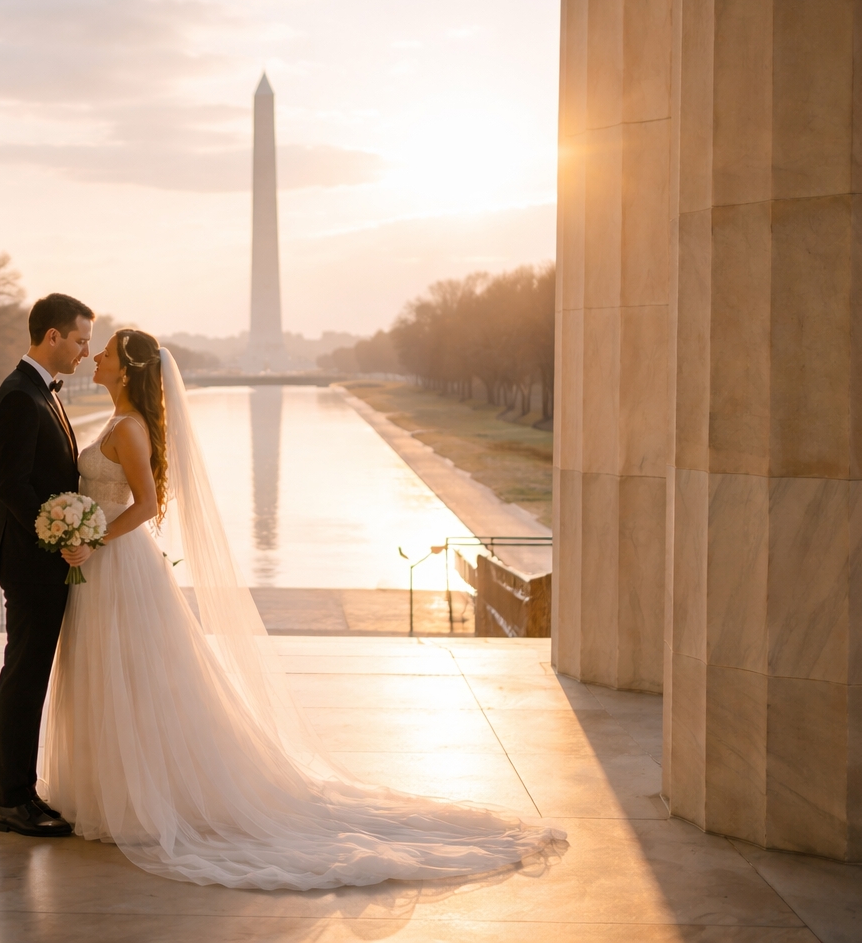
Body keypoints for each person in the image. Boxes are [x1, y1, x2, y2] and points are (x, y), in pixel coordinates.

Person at [39, 328, 565, 889]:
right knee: (110, 675)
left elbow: (144, 504)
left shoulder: (131, 429)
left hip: (118, 563)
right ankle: (109, 790)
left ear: (126, 369)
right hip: (103, 560)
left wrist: (93, 538)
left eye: (107, 352)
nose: (95, 356)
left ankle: (141, 796)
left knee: (135, 679)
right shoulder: (120, 422)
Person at [0, 293, 95, 836]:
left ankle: (20, 793)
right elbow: (12, 488)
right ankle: (9, 801)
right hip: (29, 561)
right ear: (52, 337)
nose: (85, 351)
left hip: (43, 557)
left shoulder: (41, 392)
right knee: (24, 678)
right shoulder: (18, 397)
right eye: (79, 340)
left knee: (31, 677)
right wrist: (60, 535)